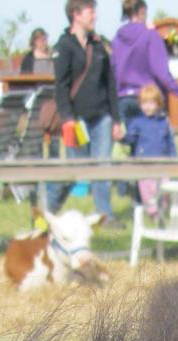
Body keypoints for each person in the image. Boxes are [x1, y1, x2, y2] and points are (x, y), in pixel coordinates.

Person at [49, 0, 125, 220]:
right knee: (75, 171)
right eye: (91, 11)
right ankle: (48, 210)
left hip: (102, 117)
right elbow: (61, 87)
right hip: (76, 119)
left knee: (102, 168)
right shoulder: (63, 46)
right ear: (76, 14)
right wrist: (67, 119)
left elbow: (110, 83)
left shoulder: (98, 45)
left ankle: (105, 217)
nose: (95, 16)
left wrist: (116, 119)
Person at [111, 0, 178, 129]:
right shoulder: (150, 35)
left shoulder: (117, 39)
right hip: (148, 100)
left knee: (134, 145)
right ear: (142, 10)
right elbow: (161, 73)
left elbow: (113, 73)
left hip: (123, 100)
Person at [125, 82, 175, 218]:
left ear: (159, 104)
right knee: (147, 190)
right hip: (144, 164)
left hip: (162, 163)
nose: (147, 107)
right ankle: (153, 213)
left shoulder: (164, 122)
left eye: (151, 103)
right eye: (144, 103)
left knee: (165, 187)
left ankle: (164, 209)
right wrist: (123, 137)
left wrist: (174, 159)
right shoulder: (137, 122)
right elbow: (129, 140)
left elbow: (170, 142)